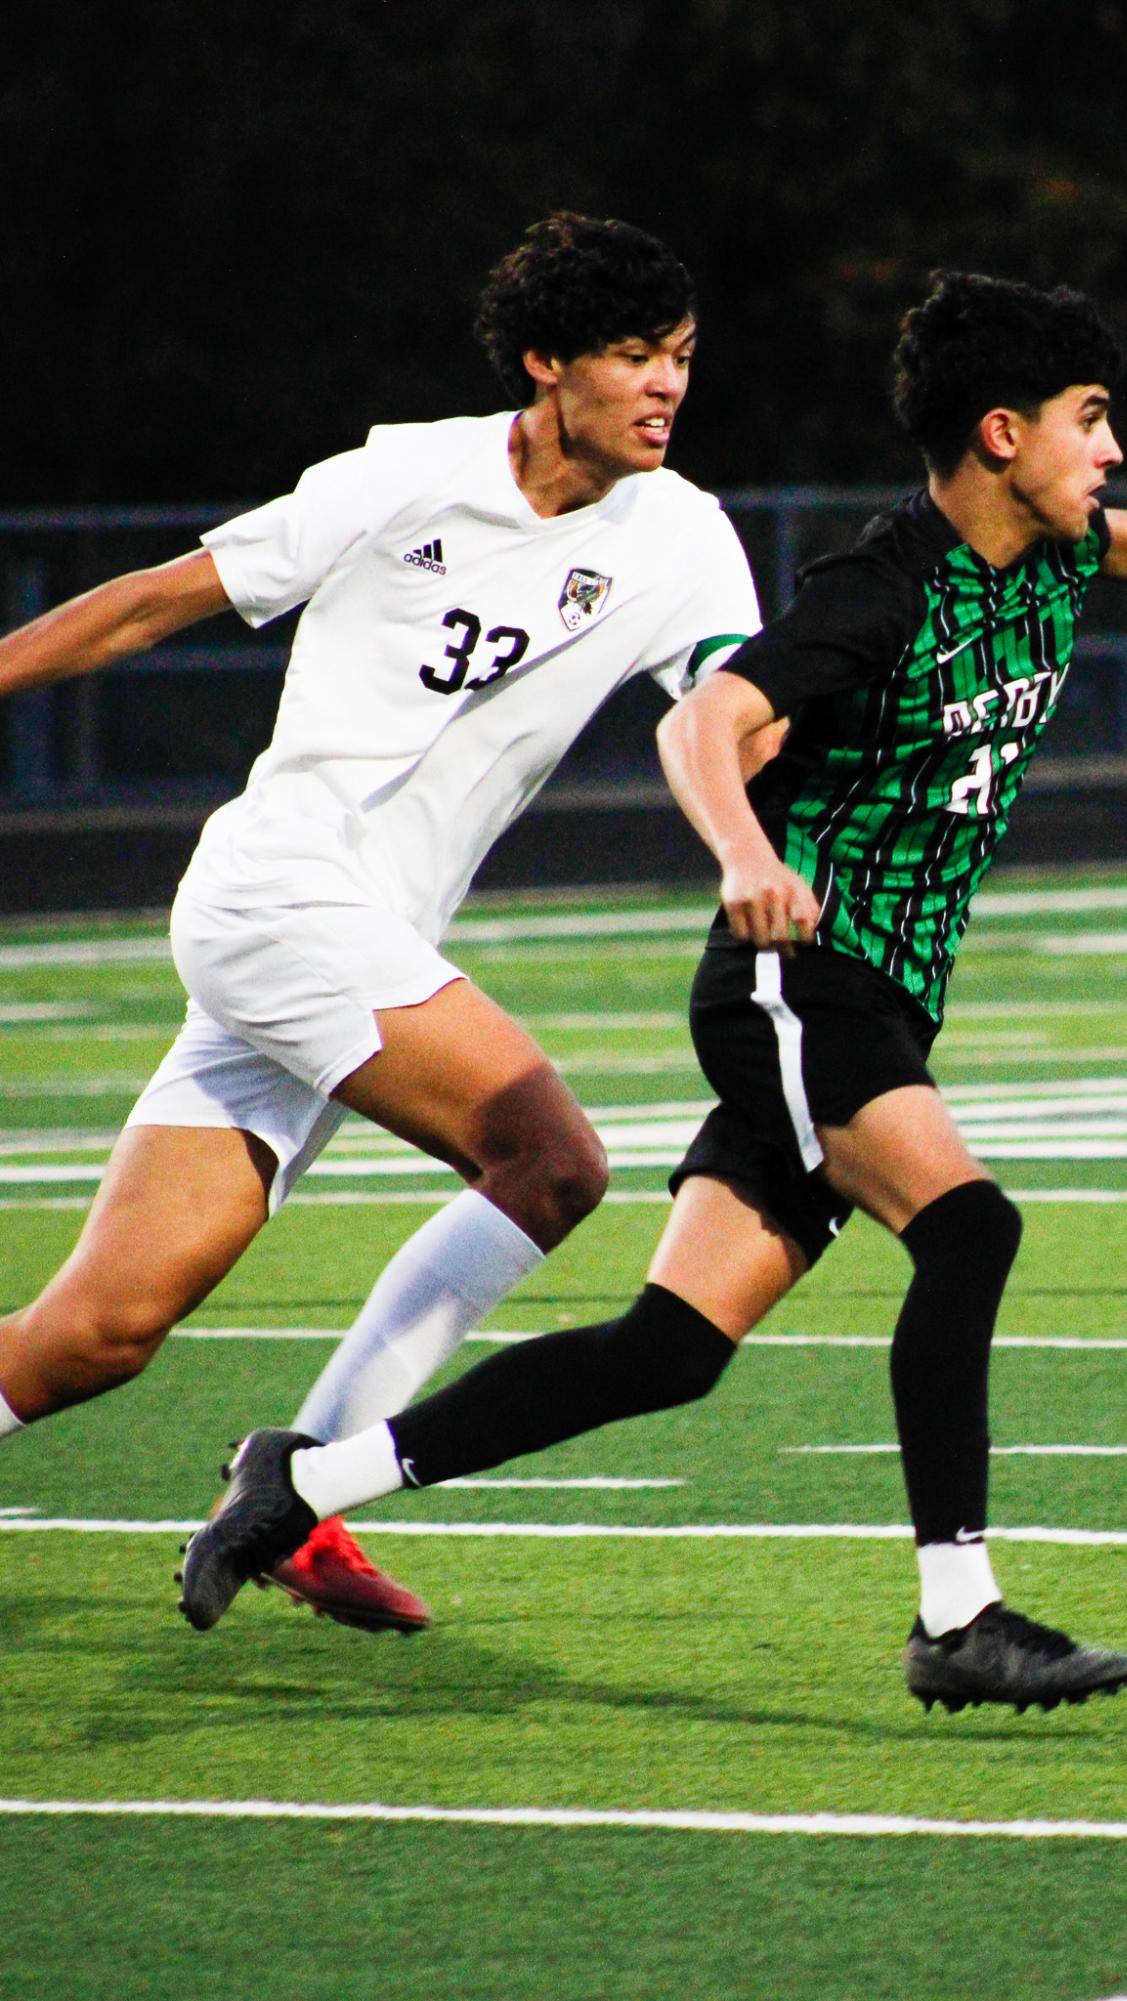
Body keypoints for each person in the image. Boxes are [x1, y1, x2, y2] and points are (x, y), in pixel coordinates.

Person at [179, 271, 1127, 1710]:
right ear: (1003, 435)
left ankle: (301, 1475)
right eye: (1092, 421)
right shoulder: (878, 592)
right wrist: (743, 855)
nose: (1113, 450)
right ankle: (958, 1616)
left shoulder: (1056, 547)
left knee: (669, 1349)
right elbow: (708, 719)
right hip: (799, 980)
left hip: (884, 996)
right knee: (969, 1227)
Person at [0, 213, 759, 1633]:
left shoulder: (685, 537)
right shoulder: (401, 472)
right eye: (633, 356)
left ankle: (291, 1495)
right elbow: (156, 601)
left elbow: (730, 709)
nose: (667, 384)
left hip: (353, 946)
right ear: (547, 364)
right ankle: (304, 1493)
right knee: (549, 1159)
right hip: (279, 893)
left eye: (683, 356)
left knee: (92, 1335)